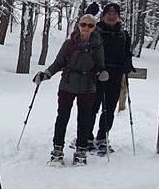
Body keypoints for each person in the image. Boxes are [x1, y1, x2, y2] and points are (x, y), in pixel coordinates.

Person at [34, 13, 107, 165]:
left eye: (90, 25)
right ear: (78, 25)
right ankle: (57, 149)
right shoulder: (69, 44)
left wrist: (102, 73)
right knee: (62, 117)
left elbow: (100, 66)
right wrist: (47, 74)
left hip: (88, 87)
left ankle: (81, 150)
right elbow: (58, 62)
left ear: (94, 28)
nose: (86, 28)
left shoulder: (98, 46)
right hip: (67, 84)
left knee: (84, 119)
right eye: (83, 24)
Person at [92, 3, 135, 155]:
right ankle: (86, 137)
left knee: (109, 108)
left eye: (114, 14)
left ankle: (102, 137)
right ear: (103, 16)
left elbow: (127, 52)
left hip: (115, 75)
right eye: (108, 14)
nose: (111, 16)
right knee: (92, 107)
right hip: (96, 74)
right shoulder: (96, 31)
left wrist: (127, 63)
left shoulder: (123, 34)